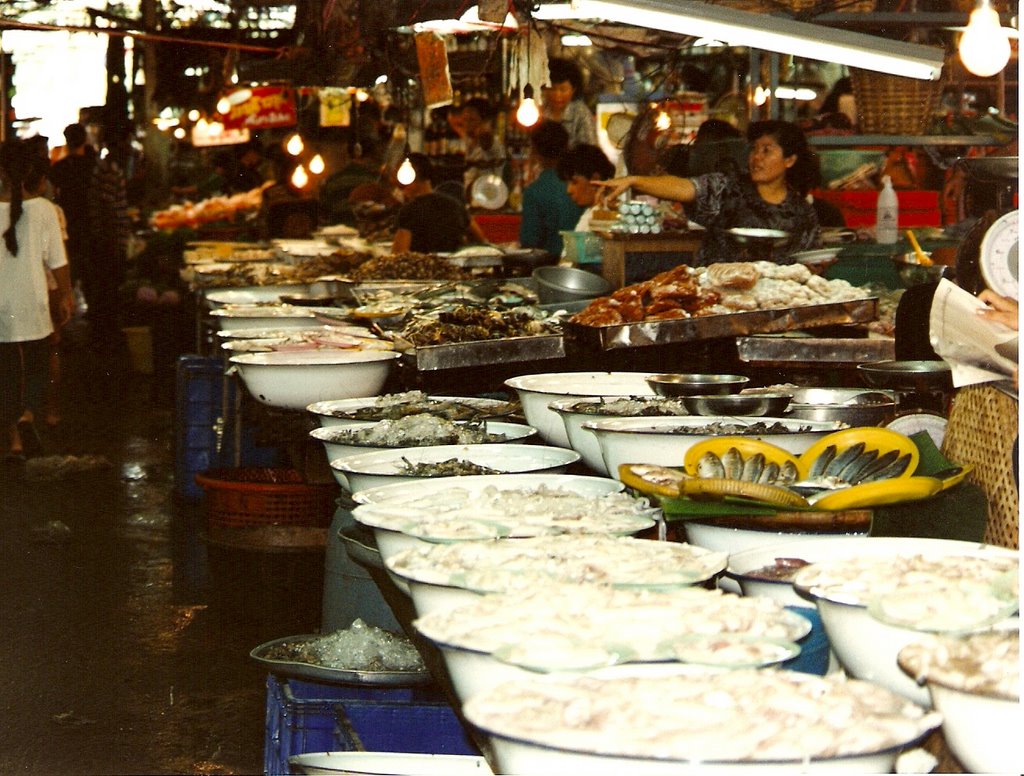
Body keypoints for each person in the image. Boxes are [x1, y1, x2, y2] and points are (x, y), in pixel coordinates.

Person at [600, 119, 821, 264]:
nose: (756, 158)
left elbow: (809, 262)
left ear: (790, 160)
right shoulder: (728, 188)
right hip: (716, 300)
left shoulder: (801, 213)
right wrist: (634, 181)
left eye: (767, 150)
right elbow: (685, 188)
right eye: (754, 149)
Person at [1, 139, 74, 466]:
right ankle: (27, 415)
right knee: (35, 368)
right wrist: (67, 294)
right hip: (32, 301)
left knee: (4, 371)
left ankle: (13, 439)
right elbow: (57, 260)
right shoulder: (44, 209)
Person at [391, 154, 481, 254]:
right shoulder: (455, 205)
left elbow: (398, 255)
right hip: (453, 268)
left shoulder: (408, 211)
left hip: (422, 268)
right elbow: (481, 241)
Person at [519, 121, 583, 258]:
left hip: (550, 269)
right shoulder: (584, 184)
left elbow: (530, 243)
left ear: (535, 151)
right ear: (567, 146)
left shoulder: (534, 192)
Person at [557, 143, 615, 232]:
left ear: (595, 180)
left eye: (574, 182)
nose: (569, 190)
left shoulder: (606, 214)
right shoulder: (590, 212)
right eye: (567, 183)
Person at [543, 58, 598, 149]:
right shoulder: (539, 110)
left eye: (563, 90)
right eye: (552, 89)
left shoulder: (580, 113)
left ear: (573, 90)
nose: (557, 95)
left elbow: (589, 149)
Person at [459, 98, 507, 192]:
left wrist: (483, 128)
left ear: (485, 120)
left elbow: (486, 138)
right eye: (464, 119)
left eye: (471, 119)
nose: (466, 124)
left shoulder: (493, 144)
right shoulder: (467, 143)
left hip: (489, 199)